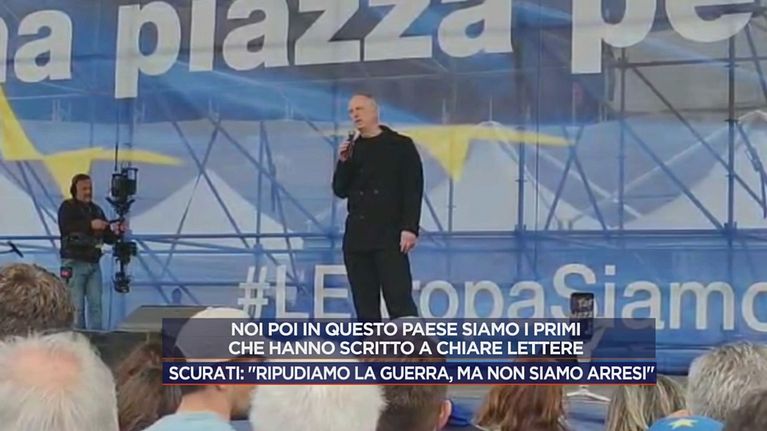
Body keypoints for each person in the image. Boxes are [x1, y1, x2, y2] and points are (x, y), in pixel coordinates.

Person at [332, 93, 423, 321]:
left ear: (375, 112)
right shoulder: (353, 149)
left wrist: (410, 227)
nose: (355, 115)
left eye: (360, 109)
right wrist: (343, 162)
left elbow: (412, 189)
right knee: (365, 304)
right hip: (357, 237)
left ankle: (409, 342)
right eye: (351, 111)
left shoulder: (400, 146)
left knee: (398, 297)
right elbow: (340, 189)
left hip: (389, 235)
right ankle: (369, 343)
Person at [57, 173, 124, 330]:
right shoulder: (67, 207)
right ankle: (77, 339)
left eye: (90, 188)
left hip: (93, 263)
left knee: (96, 306)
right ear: (74, 190)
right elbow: (66, 228)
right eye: (84, 189)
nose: (88, 192)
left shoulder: (96, 210)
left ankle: (97, 339)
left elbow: (107, 237)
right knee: (77, 308)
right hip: (74, 263)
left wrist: (116, 232)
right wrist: (90, 225)